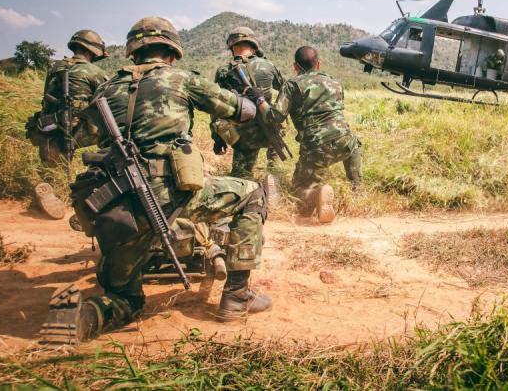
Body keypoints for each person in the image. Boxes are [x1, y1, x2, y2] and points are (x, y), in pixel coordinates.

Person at [40, 17, 272, 346]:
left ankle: (83, 316)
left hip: (117, 205)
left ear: (132, 52)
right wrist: (251, 98)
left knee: (123, 298)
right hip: (171, 195)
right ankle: (237, 296)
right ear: (173, 53)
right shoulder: (182, 79)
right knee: (252, 194)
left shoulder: (106, 87)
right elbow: (242, 111)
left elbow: (79, 137)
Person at [267, 46, 361, 223]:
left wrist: (260, 102)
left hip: (317, 146)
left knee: (297, 188)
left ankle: (317, 194)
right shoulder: (335, 82)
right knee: (353, 144)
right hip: (345, 141)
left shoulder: (292, 85)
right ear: (318, 64)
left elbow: (276, 116)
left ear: (295, 66)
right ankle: (356, 192)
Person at [26, 29, 109, 219]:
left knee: (53, 162)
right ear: (93, 51)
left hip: (49, 128)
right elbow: (106, 103)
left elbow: (45, 99)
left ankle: (50, 187)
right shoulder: (96, 72)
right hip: (81, 129)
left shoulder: (54, 67)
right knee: (112, 139)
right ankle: (96, 181)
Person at [211, 26, 285, 179]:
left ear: (233, 47)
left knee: (241, 176)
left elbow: (216, 107)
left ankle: (248, 189)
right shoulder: (268, 65)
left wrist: (217, 137)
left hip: (245, 133)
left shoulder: (224, 71)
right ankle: (273, 177)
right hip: (271, 129)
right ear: (253, 46)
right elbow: (285, 90)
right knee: (276, 157)